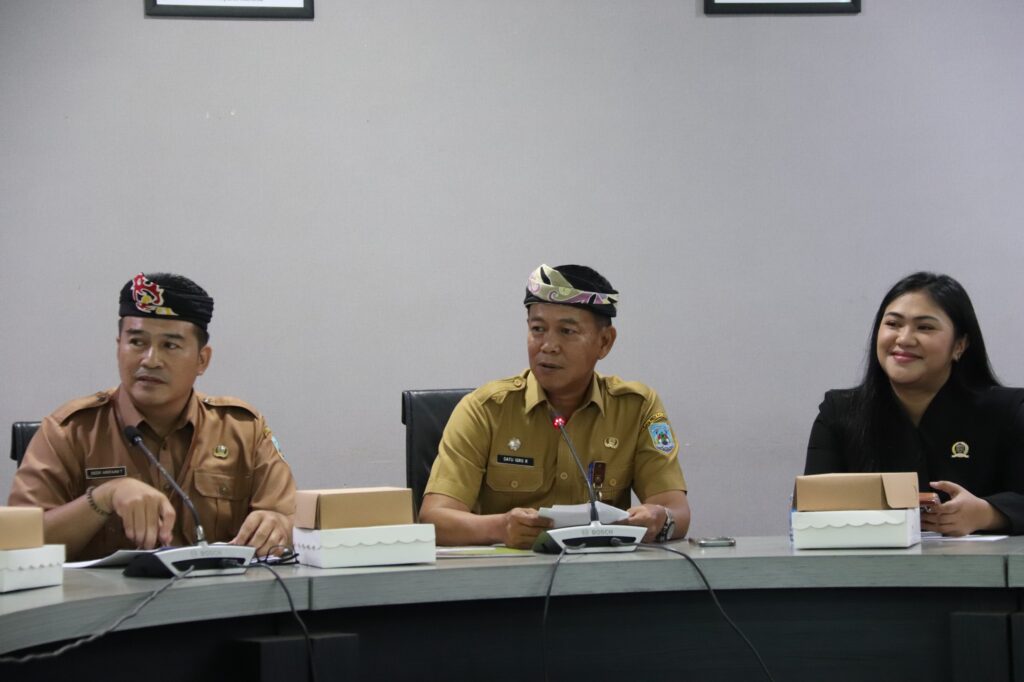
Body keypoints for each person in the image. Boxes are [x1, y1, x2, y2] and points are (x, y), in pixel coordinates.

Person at [8, 273, 296, 560]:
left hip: (219, 591)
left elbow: (294, 519)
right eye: (137, 342)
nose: (150, 360)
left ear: (202, 360)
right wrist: (103, 498)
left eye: (170, 345)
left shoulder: (242, 429)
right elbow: (14, 542)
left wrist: (279, 525)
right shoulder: (69, 431)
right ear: (118, 347)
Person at [419, 263, 690, 548]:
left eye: (567, 331)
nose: (548, 345)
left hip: (603, 571)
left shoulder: (637, 408)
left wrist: (659, 518)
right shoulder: (484, 410)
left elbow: (677, 510)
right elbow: (434, 519)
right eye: (537, 329)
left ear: (605, 342)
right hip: (509, 571)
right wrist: (501, 527)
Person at [805, 271, 1024, 536]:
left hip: (980, 563)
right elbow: (814, 507)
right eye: (893, 324)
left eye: (925, 327)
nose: (904, 339)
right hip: (871, 561)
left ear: (960, 345)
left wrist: (986, 514)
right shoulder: (839, 412)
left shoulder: (1008, 410)